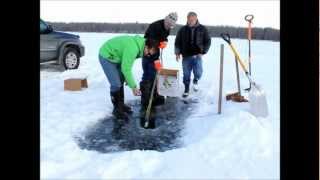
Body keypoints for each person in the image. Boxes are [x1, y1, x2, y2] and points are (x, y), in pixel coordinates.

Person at [99, 35, 160, 120]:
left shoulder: (140, 46)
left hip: (117, 57)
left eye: (150, 54)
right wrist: (134, 87)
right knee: (116, 84)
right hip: (107, 56)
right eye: (149, 52)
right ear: (146, 46)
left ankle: (121, 105)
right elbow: (126, 68)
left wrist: (127, 78)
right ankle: (116, 110)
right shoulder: (133, 48)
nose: (148, 55)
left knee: (121, 80)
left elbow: (127, 65)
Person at [140, 12, 178, 111]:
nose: (169, 26)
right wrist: (156, 60)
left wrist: (164, 41)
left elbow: (164, 37)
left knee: (154, 74)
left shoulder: (168, 28)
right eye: (168, 23)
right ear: (165, 20)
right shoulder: (155, 26)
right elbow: (151, 46)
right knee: (148, 74)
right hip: (147, 51)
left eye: (171, 25)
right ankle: (146, 99)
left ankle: (155, 96)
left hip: (155, 51)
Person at [174, 12, 211, 98]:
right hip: (186, 56)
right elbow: (177, 42)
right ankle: (186, 89)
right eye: (189, 20)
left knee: (198, 72)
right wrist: (177, 53)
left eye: (192, 20)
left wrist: (203, 52)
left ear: (196, 19)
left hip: (198, 55)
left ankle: (195, 80)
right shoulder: (182, 29)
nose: (191, 21)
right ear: (187, 19)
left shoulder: (203, 29)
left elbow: (208, 41)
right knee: (186, 74)